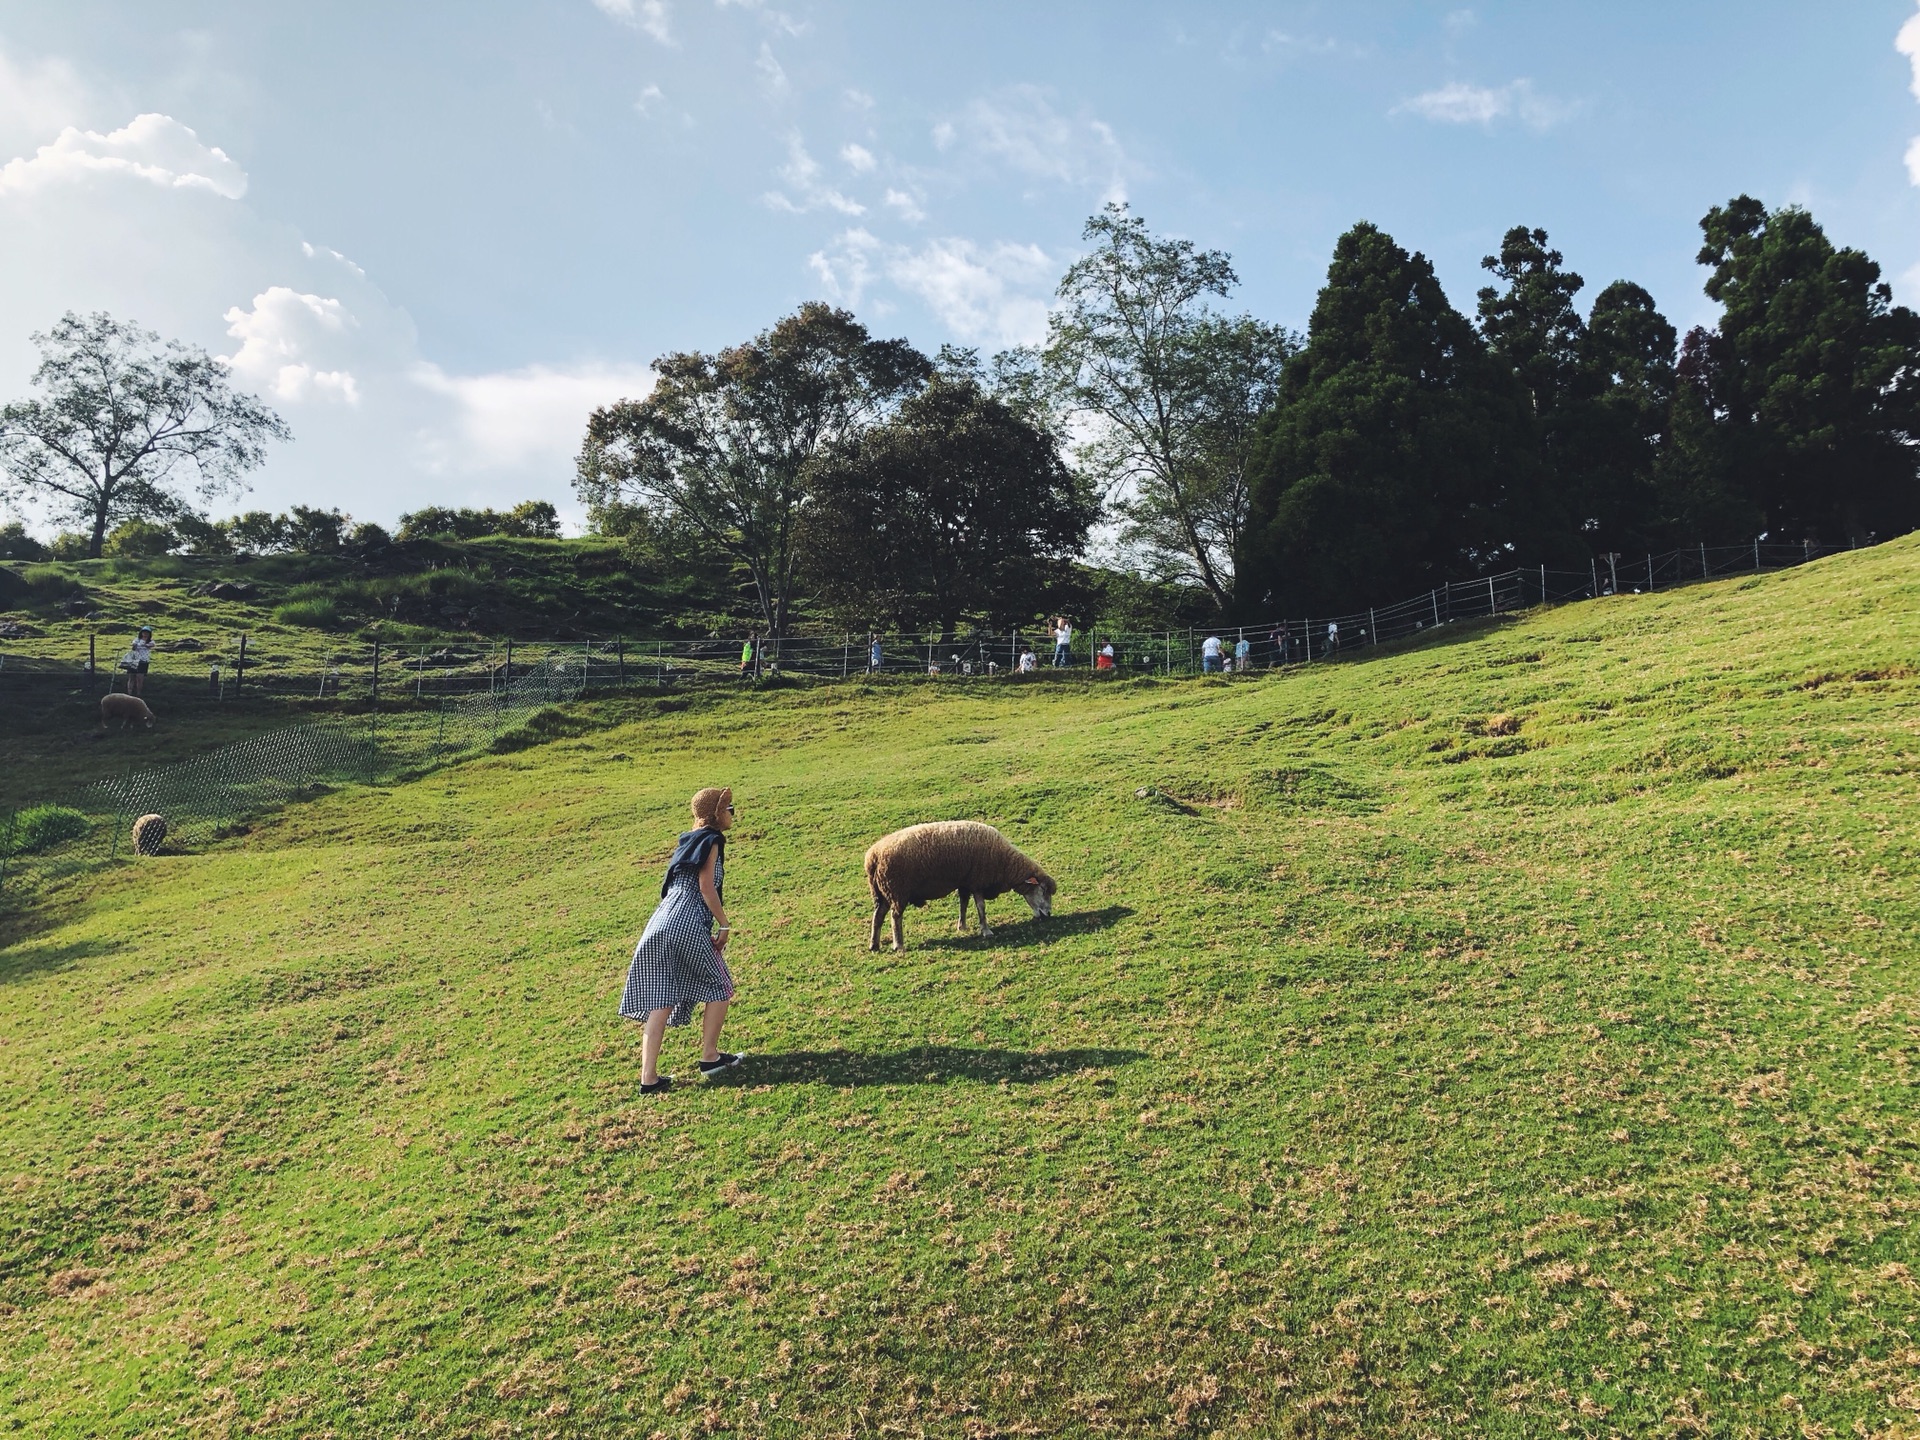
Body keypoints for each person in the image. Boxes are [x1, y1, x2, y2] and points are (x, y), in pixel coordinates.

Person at [619, 787, 746, 1094]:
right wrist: (724, 925)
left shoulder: (686, 841)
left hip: (660, 920)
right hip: (687, 919)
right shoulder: (712, 840)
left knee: (661, 999)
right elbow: (705, 887)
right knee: (720, 986)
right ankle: (710, 1058)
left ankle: (648, 1079)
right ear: (715, 814)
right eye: (728, 807)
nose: (733, 813)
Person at [125, 626, 154, 696]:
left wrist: (143, 645)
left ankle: (138, 694)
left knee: (140, 678)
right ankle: (129, 693)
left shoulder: (151, 641)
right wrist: (135, 645)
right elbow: (133, 647)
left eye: (147, 633)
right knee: (131, 677)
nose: (145, 634)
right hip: (134, 660)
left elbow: (151, 645)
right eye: (144, 632)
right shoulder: (136, 640)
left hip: (143, 661)